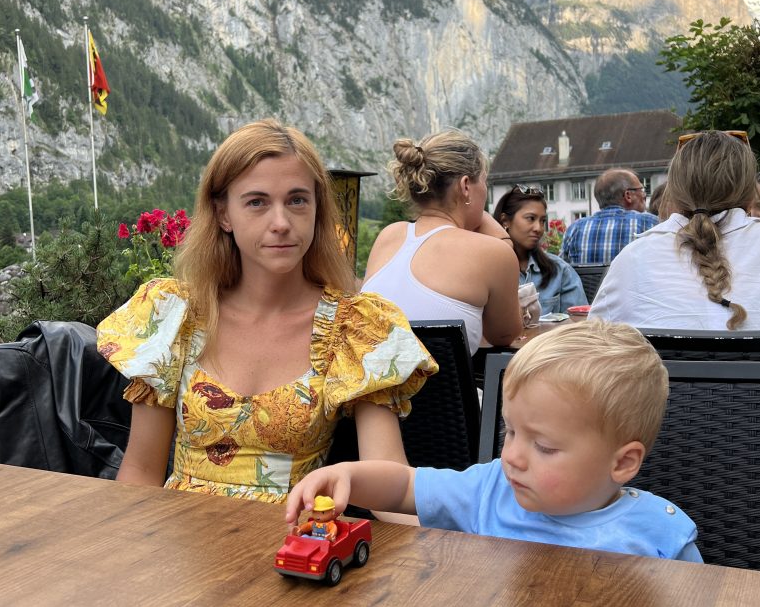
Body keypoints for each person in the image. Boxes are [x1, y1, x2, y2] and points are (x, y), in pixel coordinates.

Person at [97, 119, 437, 503]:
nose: (281, 223)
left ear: (316, 209)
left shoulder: (354, 327)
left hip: (289, 546)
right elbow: (141, 471)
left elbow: (390, 484)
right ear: (224, 214)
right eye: (257, 202)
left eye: (296, 200)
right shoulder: (174, 316)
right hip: (179, 545)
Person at [285, 319, 702, 562]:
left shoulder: (659, 536)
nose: (513, 456)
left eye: (544, 446)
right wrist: (347, 476)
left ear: (623, 463)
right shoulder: (489, 490)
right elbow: (405, 485)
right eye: (510, 431)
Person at [589, 131, 760, 330]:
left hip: (665, 391)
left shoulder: (634, 258)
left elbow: (596, 350)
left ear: (675, 191)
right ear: (749, 192)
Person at [361, 131, 521, 353]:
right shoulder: (493, 252)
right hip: (446, 388)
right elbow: (503, 335)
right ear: (466, 186)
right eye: (484, 182)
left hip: (368, 387)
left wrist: (467, 210)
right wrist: (500, 237)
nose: (486, 192)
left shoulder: (388, 236)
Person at [492, 186, 585, 317]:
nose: (539, 228)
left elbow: (578, 325)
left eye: (542, 221)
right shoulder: (489, 271)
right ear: (505, 221)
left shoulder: (559, 270)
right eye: (531, 218)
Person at [560, 169, 657, 266]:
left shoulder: (574, 229)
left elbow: (563, 271)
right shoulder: (651, 224)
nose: (645, 195)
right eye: (642, 190)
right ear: (628, 196)